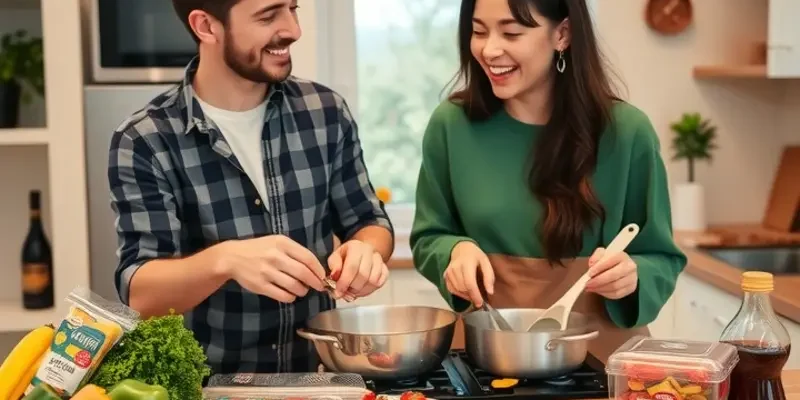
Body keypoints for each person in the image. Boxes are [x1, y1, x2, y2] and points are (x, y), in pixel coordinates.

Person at [107, 0, 394, 374]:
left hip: (317, 380)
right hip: (210, 387)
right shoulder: (145, 139)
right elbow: (141, 293)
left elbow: (370, 221)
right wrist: (225, 260)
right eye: (268, 15)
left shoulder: (325, 111)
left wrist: (364, 251)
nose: (293, 30)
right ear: (206, 27)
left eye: (293, 9)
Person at [410, 0, 687, 362]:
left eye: (511, 32)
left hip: (602, 360)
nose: (490, 49)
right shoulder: (451, 125)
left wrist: (633, 276)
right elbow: (428, 236)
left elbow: (661, 257)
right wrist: (454, 251)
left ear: (563, 34)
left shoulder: (627, 133)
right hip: (490, 357)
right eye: (478, 31)